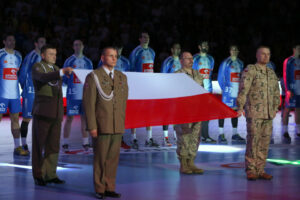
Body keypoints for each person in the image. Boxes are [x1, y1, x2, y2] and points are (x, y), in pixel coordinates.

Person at [83, 47, 128, 199]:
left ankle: (110, 186)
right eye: (111, 56)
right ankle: (100, 188)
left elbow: (123, 102)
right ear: (102, 58)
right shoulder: (94, 76)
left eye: (116, 56)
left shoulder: (121, 77)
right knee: (100, 158)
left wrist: (122, 123)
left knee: (113, 159)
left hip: (116, 124)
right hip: (102, 124)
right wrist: (92, 126)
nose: (114, 59)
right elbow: (89, 104)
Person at [31, 44, 73, 186]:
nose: (54, 57)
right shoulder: (37, 66)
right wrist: (61, 72)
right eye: (50, 54)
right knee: (39, 145)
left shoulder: (56, 69)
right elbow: (42, 78)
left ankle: (51, 174)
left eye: (55, 54)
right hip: (42, 112)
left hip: (56, 113)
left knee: (53, 146)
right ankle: (38, 175)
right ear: (43, 55)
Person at [237, 46, 280, 180]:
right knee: (253, 142)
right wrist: (240, 106)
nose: (266, 56)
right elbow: (244, 89)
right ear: (257, 55)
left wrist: (275, 108)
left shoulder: (271, 72)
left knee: (264, 143)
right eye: (263, 54)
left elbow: (276, 92)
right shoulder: (251, 70)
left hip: (268, 114)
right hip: (254, 113)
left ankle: (260, 169)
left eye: (268, 54)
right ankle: (251, 170)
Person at [174, 51, 204, 174]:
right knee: (184, 137)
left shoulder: (198, 74)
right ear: (181, 61)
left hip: (197, 111)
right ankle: (183, 163)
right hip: (183, 112)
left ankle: (191, 161)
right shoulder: (177, 76)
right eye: (187, 58)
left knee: (195, 137)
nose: (191, 61)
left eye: (192, 58)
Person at [61, 39, 93, 152]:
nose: (78, 46)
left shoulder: (88, 62)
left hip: (85, 95)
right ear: (73, 47)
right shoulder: (69, 61)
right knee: (69, 118)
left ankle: (85, 143)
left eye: (80, 44)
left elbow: (91, 79)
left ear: (83, 46)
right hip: (73, 95)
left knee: (84, 118)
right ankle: (65, 143)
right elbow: (64, 78)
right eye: (75, 45)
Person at [97, 43, 131, 149]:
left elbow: (130, 76)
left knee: (119, 117)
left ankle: (119, 140)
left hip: (120, 93)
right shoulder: (104, 60)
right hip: (108, 93)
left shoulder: (126, 61)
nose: (118, 51)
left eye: (119, 49)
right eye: (116, 49)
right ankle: (105, 140)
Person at [129, 31, 158, 149]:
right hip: (138, 86)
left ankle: (149, 138)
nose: (146, 39)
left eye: (148, 37)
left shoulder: (152, 52)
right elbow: (131, 68)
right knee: (135, 112)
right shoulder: (136, 52)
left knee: (149, 112)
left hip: (149, 86)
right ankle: (133, 138)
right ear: (139, 39)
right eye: (144, 37)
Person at [0, 33, 28, 156]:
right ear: (4, 41)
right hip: (2, 94)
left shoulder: (18, 55)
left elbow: (17, 73)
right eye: (9, 40)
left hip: (15, 95)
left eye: (13, 40)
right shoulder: (0, 54)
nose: (12, 42)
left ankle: (17, 147)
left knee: (15, 119)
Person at [18, 36, 46, 154]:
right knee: (27, 118)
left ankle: (39, 144)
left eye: (44, 42)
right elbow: (23, 72)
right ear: (35, 44)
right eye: (41, 42)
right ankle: (24, 144)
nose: (43, 44)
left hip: (40, 92)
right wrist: (26, 88)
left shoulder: (44, 57)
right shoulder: (31, 56)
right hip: (30, 92)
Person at [217, 45, 245, 143]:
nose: (234, 51)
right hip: (228, 93)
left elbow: (242, 77)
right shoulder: (225, 62)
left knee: (235, 112)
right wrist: (225, 89)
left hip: (237, 92)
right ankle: (220, 134)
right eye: (233, 49)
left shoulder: (240, 63)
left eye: (236, 50)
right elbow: (220, 77)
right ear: (230, 51)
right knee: (223, 112)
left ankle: (234, 134)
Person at [192, 41, 216, 143]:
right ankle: (195, 136)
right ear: (199, 47)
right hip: (197, 91)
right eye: (203, 45)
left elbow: (209, 74)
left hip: (208, 91)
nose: (206, 47)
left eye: (207, 45)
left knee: (206, 115)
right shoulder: (195, 58)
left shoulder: (211, 59)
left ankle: (206, 136)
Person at [160, 42, 182, 146]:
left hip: (179, 93)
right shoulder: (168, 61)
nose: (177, 50)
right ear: (172, 50)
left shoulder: (181, 62)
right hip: (169, 92)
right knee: (167, 115)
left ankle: (176, 137)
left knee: (177, 116)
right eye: (175, 48)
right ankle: (165, 138)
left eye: (179, 48)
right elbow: (163, 76)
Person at [282, 44, 300, 139]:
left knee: (298, 109)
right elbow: (285, 75)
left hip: (299, 88)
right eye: (298, 48)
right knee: (287, 109)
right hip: (291, 89)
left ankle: (298, 130)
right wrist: (288, 89)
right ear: (294, 49)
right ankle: (285, 131)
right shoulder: (288, 60)